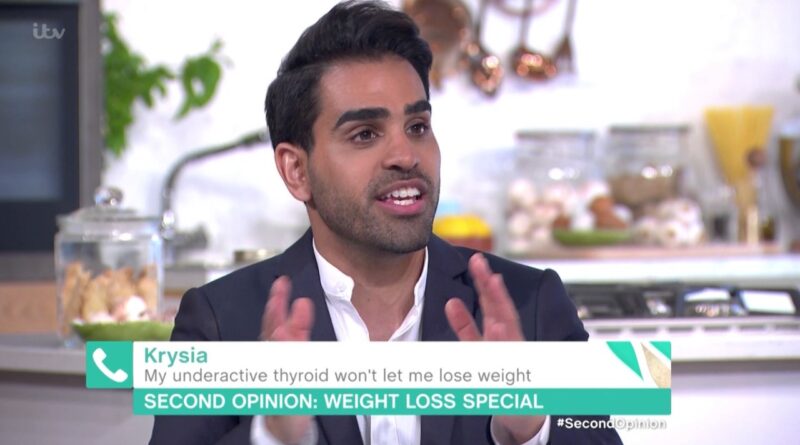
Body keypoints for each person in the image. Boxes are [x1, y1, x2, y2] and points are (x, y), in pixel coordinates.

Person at [150, 1, 622, 444]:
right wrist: (275, 435)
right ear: (297, 170)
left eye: (417, 127)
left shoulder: (530, 305)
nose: (405, 155)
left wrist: (530, 425)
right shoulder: (220, 322)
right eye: (364, 134)